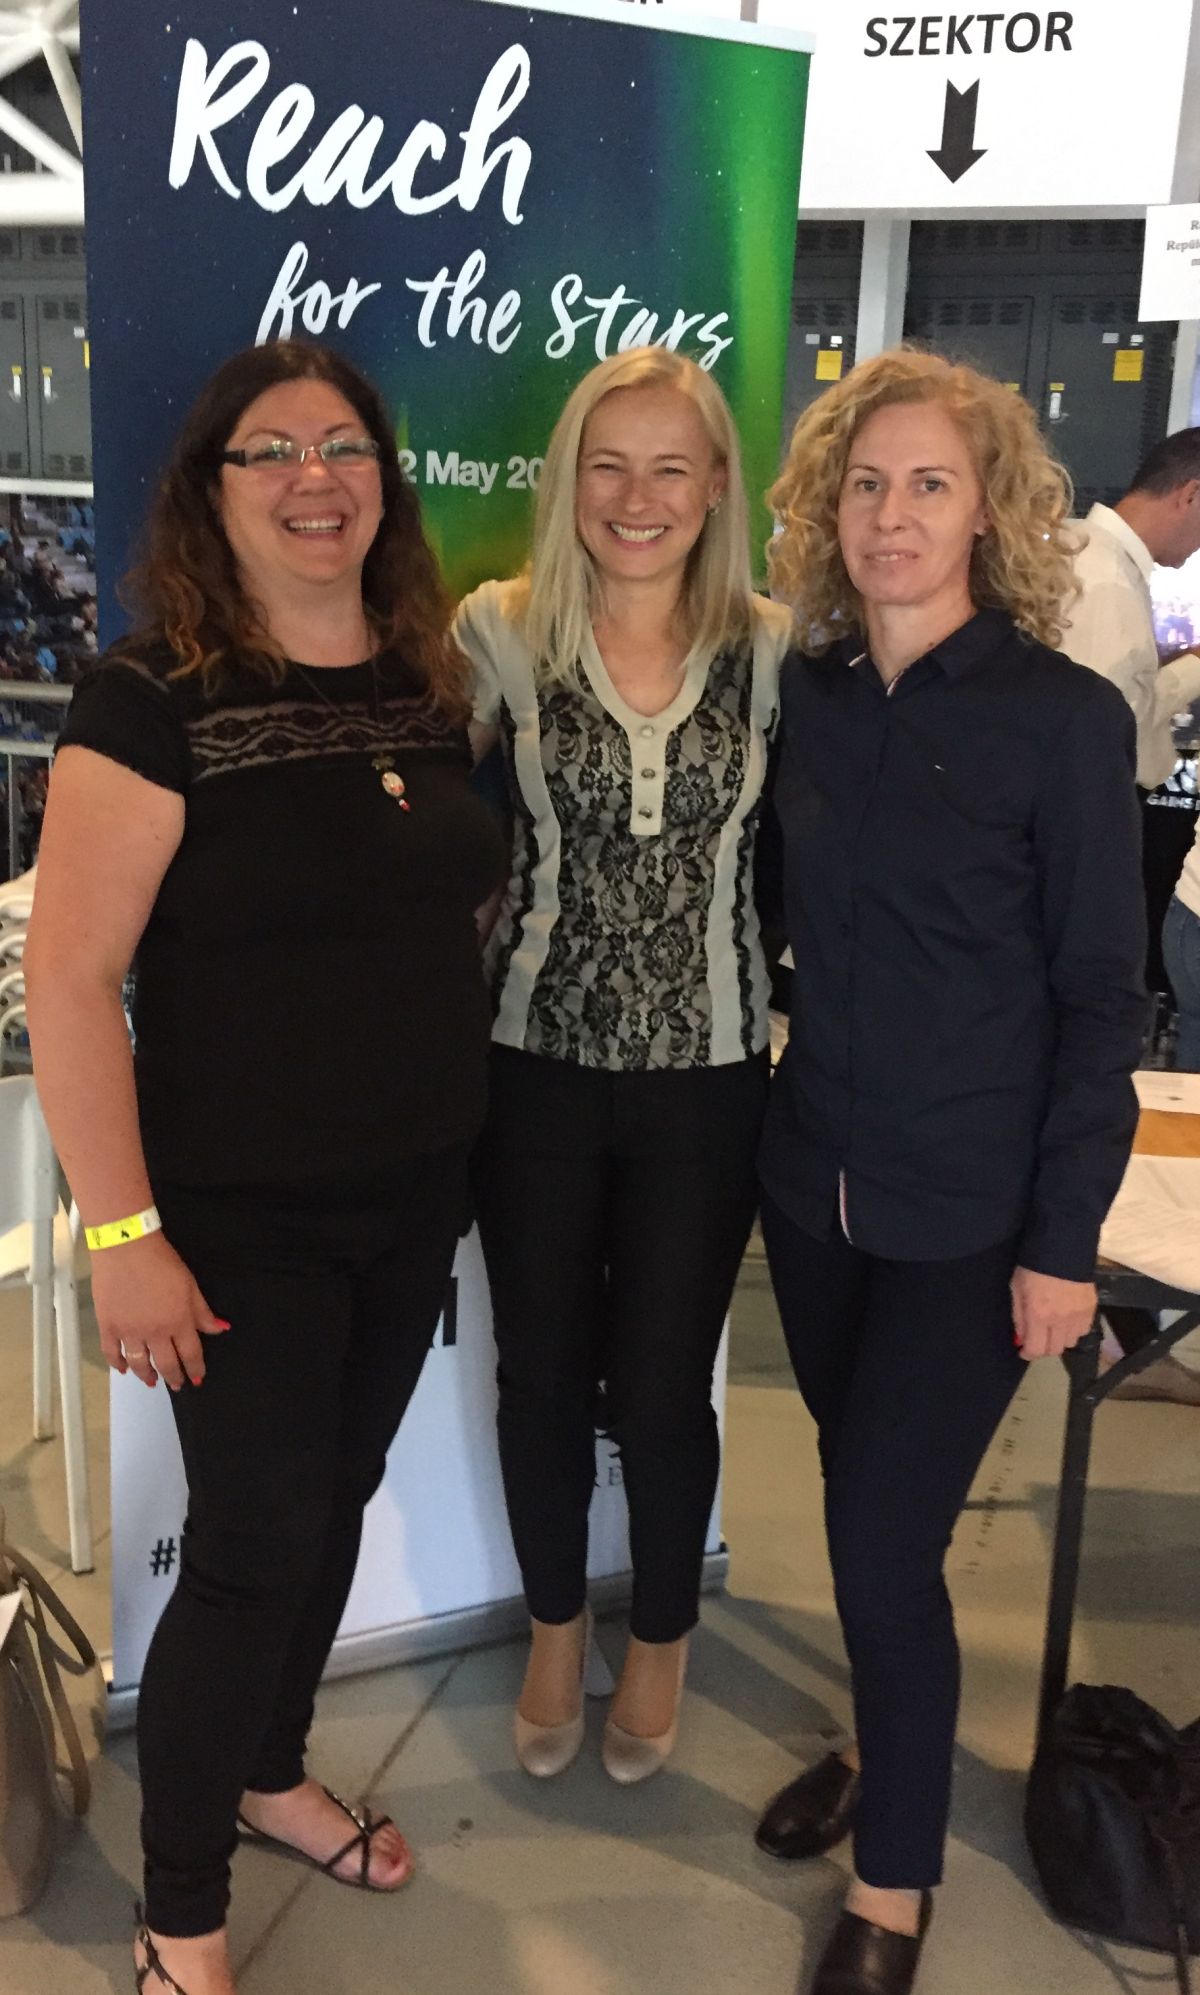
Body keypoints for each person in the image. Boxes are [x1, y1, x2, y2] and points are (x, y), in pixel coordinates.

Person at [24, 340, 503, 1995]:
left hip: (413, 1190)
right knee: (254, 1541)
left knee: (330, 1505)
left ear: (385, 480)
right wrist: (125, 1235)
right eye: (274, 450)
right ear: (210, 492)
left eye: (346, 444)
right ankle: (181, 1914)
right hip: (238, 1218)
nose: (317, 477)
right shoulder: (151, 699)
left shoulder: (427, 678)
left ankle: (270, 1768)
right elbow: (71, 978)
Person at [754, 349, 1146, 1995]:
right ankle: (880, 1735)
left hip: (973, 1217)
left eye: (929, 483)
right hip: (815, 1187)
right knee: (868, 1508)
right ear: (828, 510)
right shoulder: (812, 698)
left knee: (878, 1532)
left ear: (988, 509)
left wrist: (1065, 1242)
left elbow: (1102, 999)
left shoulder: (1064, 719)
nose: (892, 514)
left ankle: (895, 1880)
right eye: (866, 484)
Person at [454, 347, 791, 1785]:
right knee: (539, 1376)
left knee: (660, 1389)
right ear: (567, 481)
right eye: (608, 464)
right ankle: (553, 1627)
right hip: (530, 1067)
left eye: (670, 467)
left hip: (706, 1079)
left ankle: (658, 1636)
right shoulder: (500, 630)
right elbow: (429, 824)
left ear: (715, 487)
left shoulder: (777, 651)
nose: (636, 497)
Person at [1058, 433, 1200, 1402]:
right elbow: (1107, 747)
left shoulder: (1098, 563)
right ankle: (1126, 1329)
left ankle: (1128, 1331)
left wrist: (1178, 671)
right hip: (1102, 851)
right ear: (1188, 494)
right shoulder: (1108, 584)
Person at [1060, 429, 1200, 792]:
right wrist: (1194, 666)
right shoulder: (1105, 581)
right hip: (1096, 797)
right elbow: (1106, 726)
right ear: (1191, 495)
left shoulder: (1089, 553)